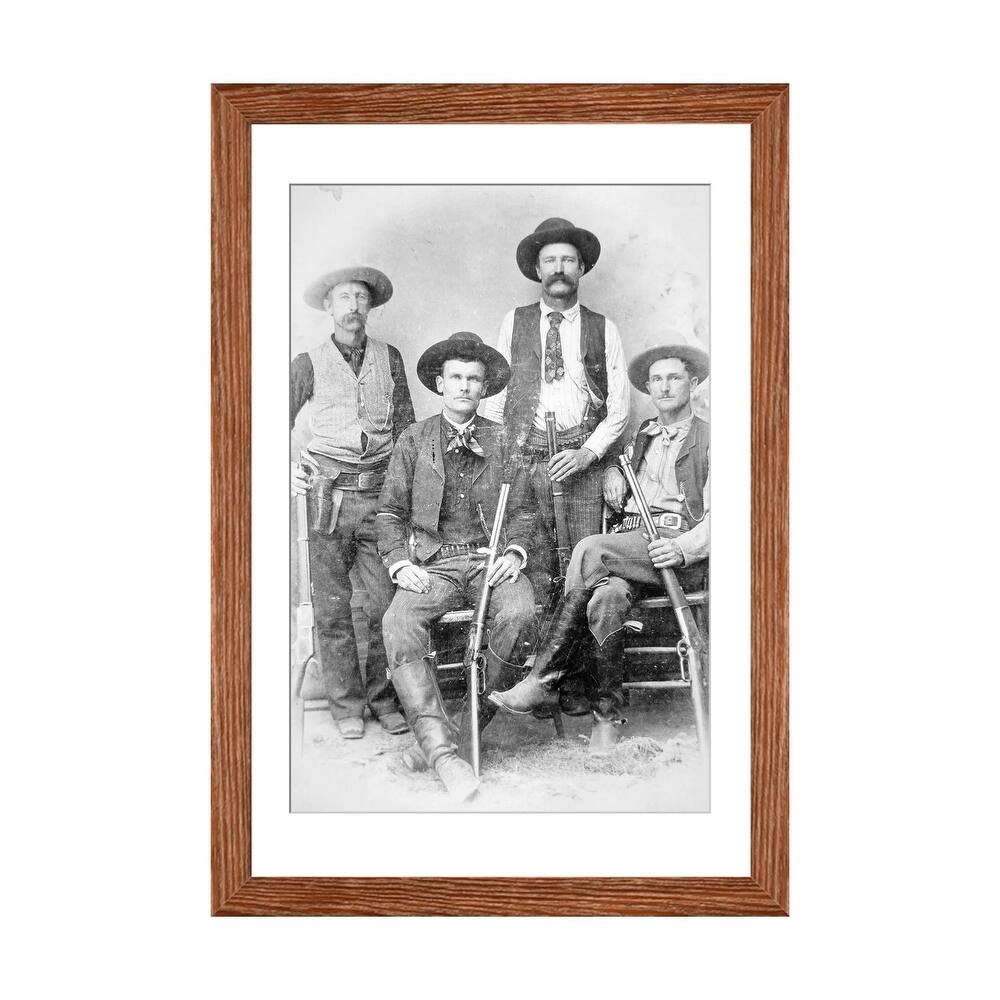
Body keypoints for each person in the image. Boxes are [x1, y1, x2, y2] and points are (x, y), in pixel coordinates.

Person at [490, 344, 710, 752]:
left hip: (675, 555)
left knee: (589, 549)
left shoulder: (711, 438)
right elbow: (621, 464)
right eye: (656, 379)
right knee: (605, 598)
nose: (664, 386)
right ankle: (607, 719)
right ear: (648, 388)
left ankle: (546, 676)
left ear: (693, 383)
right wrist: (612, 469)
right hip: (631, 549)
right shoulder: (642, 435)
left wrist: (682, 549)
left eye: (674, 377)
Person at [377, 332, 538, 801]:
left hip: (489, 560)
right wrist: (399, 562)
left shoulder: (505, 439)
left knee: (520, 613)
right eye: (456, 378)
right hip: (436, 563)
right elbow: (389, 513)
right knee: (398, 621)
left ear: (484, 388)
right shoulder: (414, 438)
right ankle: (447, 758)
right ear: (440, 384)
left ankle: (453, 737)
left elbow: (525, 511)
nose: (465, 386)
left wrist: (513, 553)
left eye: (474, 379)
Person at [479, 217, 630, 716]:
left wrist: (590, 454)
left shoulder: (602, 326)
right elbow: (494, 395)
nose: (559, 269)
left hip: (580, 461)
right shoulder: (515, 321)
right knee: (536, 567)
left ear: (582, 267)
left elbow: (621, 407)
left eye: (568, 260)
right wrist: (500, 458)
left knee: (582, 571)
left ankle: (578, 689)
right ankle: (541, 686)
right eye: (550, 261)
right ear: (537, 270)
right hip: (525, 459)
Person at [290, 265, 415, 740]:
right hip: (327, 495)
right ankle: (345, 706)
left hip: (380, 495)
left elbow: (406, 429)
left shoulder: (390, 357)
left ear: (370, 306)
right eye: (344, 297)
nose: (353, 306)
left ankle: (385, 700)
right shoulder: (307, 362)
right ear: (328, 307)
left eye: (361, 297)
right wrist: (290, 470)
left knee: (386, 603)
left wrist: (403, 494)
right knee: (333, 606)